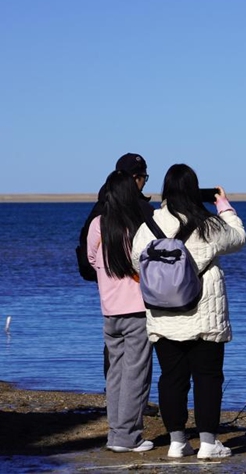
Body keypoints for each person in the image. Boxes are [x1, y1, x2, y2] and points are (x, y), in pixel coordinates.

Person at [131, 164, 246, 459]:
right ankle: (208, 444)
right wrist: (224, 205)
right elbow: (239, 238)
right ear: (196, 191)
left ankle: (177, 442)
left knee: (171, 378)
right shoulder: (208, 223)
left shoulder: (149, 227)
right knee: (207, 378)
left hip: (163, 314)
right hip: (204, 315)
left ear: (165, 191)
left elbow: (136, 262)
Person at [86, 170, 154, 453]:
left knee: (115, 373)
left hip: (110, 310)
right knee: (135, 375)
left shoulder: (98, 224)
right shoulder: (137, 226)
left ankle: (116, 434)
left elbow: (91, 259)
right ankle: (127, 436)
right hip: (137, 310)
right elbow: (147, 261)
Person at [77, 153, 155, 381]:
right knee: (137, 357)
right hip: (135, 293)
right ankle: (131, 405)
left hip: (109, 294)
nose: (143, 182)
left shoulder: (99, 210)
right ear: (133, 179)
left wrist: (102, 275)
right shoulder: (138, 210)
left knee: (115, 349)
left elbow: (88, 251)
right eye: (143, 177)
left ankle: (116, 400)